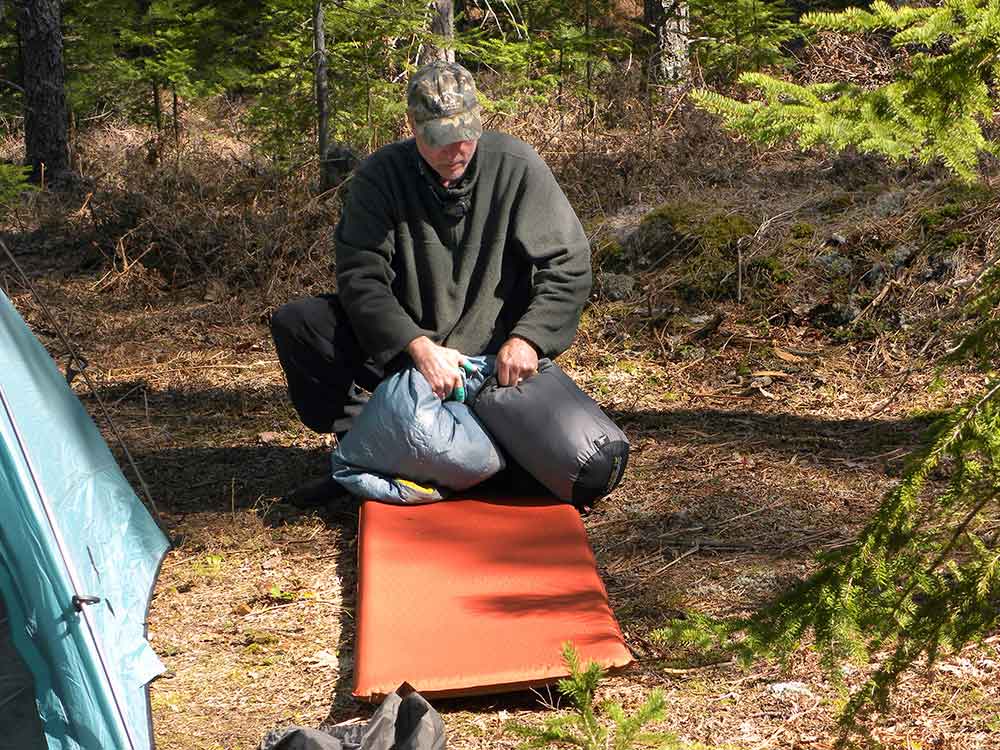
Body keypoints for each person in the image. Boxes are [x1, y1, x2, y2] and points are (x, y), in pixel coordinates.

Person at [270, 61, 591, 467]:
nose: (455, 150)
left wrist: (529, 338)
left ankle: (465, 436)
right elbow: (361, 277)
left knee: (575, 464)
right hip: (407, 348)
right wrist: (417, 347)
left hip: (494, 358)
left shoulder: (515, 165)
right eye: (440, 138)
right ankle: (364, 440)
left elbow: (568, 263)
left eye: (465, 136)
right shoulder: (380, 176)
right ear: (413, 126)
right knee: (301, 323)